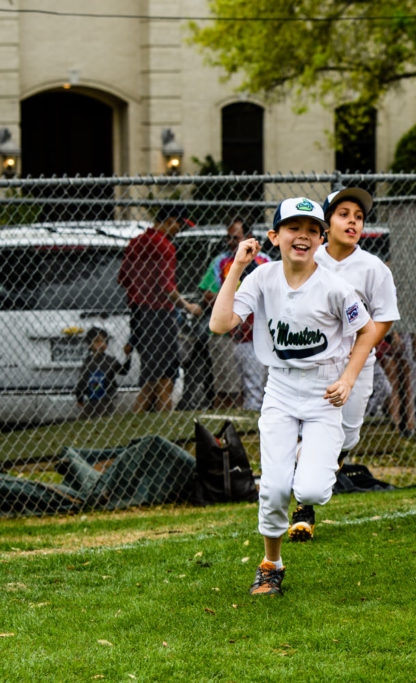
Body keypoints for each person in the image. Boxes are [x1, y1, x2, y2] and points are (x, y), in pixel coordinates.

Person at [209, 197, 376, 596]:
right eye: (292, 228)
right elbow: (220, 323)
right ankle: (271, 563)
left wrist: (349, 379)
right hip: (281, 389)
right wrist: (237, 267)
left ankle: (308, 462)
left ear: (321, 239)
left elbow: (367, 331)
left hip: (323, 393)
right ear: (274, 236)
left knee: (312, 491)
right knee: (275, 487)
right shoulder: (261, 279)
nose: (302, 236)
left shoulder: (335, 287)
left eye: (311, 230)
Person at [286, 187, 400, 539]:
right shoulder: (308, 257)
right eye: (343, 214)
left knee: (347, 434)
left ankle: (313, 466)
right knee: (312, 430)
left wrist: (360, 350)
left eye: (359, 216)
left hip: (358, 362)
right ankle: (303, 507)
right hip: (314, 363)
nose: (352, 221)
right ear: (326, 221)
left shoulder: (372, 268)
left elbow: (385, 318)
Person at [117, 205, 203, 413]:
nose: (179, 230)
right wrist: (188, 306)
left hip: (139, 313)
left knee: (152, 375)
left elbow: (123, 278)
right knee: (166, 375)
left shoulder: (135, 243)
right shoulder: (165, 246)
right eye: (179, 225)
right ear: (170, 220)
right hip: (160, 315)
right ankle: (164, 423)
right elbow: (167, 287)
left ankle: (146, 422)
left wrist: (141, 290)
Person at [198, 218, 271, 410]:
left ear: (248, 237)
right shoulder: (221, 261)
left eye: (235, 237)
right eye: (229, 238)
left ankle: (253, 423)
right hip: (229, 334)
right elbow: (207, 293)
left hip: (257, 333)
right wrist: (232, 303)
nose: (231, 242)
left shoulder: (264, 262)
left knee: (257, 385)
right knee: (230, 389)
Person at [74, 327, 130, 418]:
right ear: (90, 344)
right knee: (85, 418)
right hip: (92, 399)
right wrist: (79, 398)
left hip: (107, 398)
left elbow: (123, 371)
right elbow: (82, 382)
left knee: (105, 416)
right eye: (97, 341)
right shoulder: (88, 362)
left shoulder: (109, 361)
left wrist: (128, 357)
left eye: (103, 341)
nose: (101, 344)